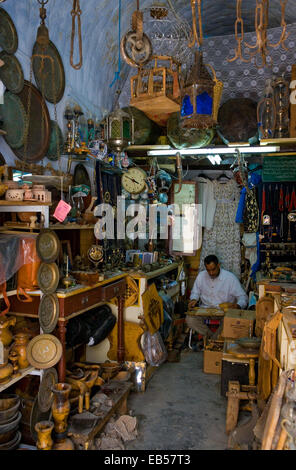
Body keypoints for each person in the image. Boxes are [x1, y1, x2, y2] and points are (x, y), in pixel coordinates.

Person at [186, 254, 248, 339]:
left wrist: (237, 305)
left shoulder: (230, 278)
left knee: (229, 321)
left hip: (223, 312)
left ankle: (212, 342)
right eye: (208, 270)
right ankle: (213, 338)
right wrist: (193, 299)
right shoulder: (201, 276)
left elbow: (243, 297)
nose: (211, 273)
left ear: (218, 265)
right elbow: (195, 293)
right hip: (205, 310)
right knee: (190, 319)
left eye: (213, 269)